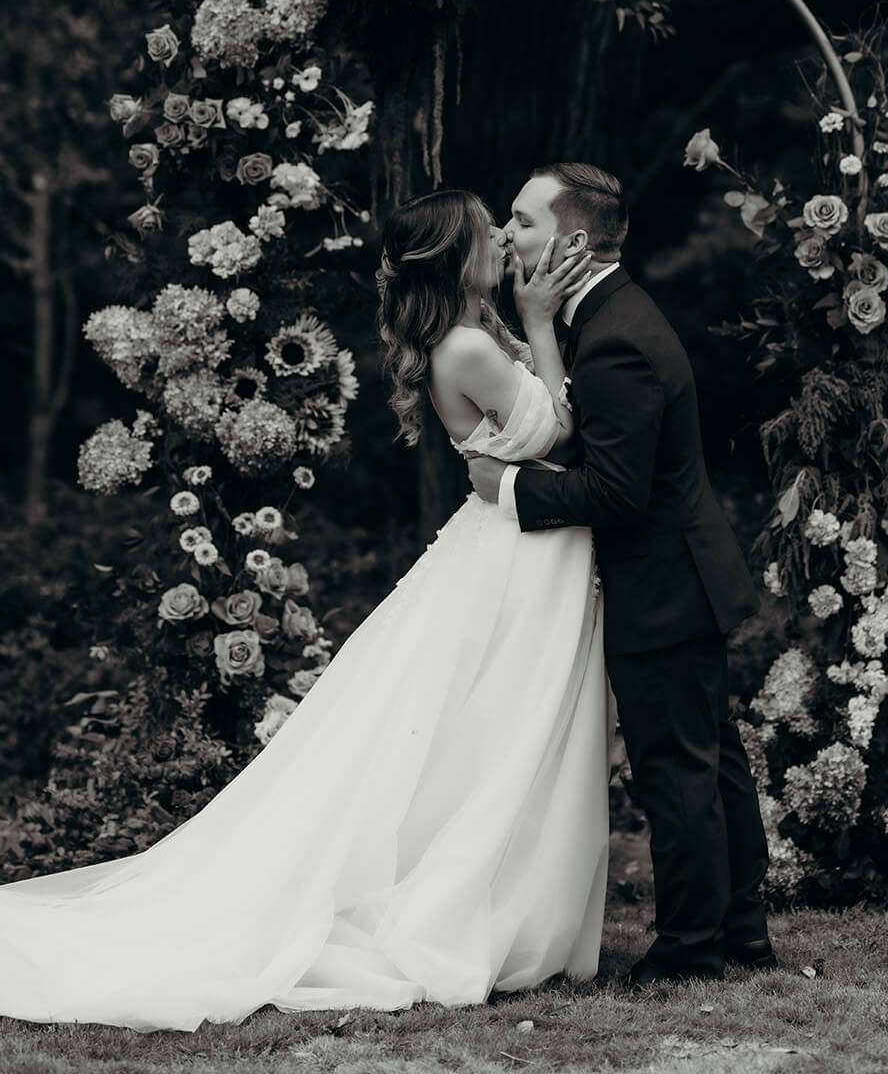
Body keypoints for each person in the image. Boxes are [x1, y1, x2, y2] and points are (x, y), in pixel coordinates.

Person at [0, 189, 610, 1032]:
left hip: (516, 543)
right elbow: (567, 433)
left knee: (493, 731)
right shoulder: (470, 346)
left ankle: (503, 888)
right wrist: (541, 323)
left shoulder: (473, 334)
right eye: (486, 234)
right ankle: (470, 899)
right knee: (502, 729)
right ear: (454, 255)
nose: (502, 243)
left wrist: (528, 325)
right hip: (516, 553)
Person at [468, 163, 775, 984]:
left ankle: (688, 952)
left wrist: (509, 486)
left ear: (568, 241)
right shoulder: (602, 317)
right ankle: (740, 934)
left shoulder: (615, 341)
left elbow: (613, 490)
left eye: (521, 221)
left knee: (677, 772)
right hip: (684, 573)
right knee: (709, 759)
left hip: (664, 587)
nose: (505, 234)